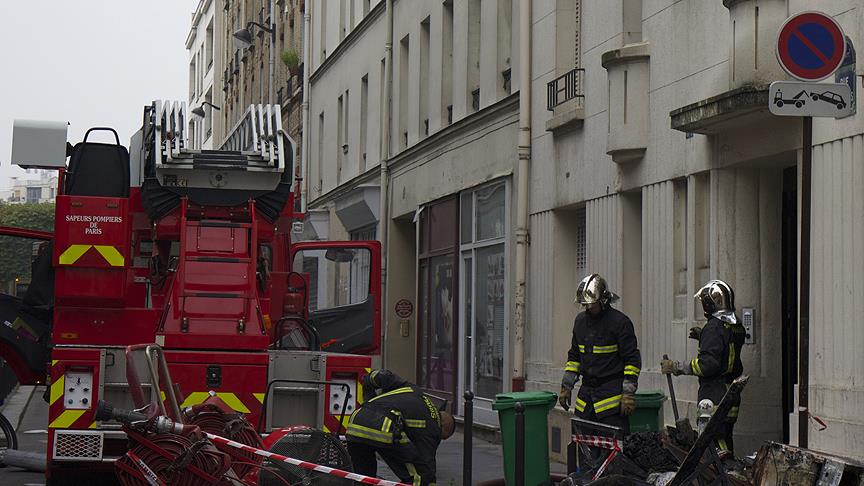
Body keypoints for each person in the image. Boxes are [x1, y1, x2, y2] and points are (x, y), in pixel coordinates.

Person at [661, 279, 745, 455]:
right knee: (724, 438)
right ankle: (728, 468)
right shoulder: (736, 326)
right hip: (730, 392)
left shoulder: (713, 328)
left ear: (710, 304)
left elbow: (708, 366)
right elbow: (725, 347)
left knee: (712, 441)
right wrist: (703, 338)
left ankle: (722, 470)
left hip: (713, 395)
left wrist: (676, 367)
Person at [559, 273, 642, 435]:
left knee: (612, 447)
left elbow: (632, 361)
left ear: (603, 300)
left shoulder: (620, 323)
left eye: (592, 304)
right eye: (585, 305)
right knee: (583, 446)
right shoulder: (580, 322)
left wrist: (628, 394)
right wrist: (566, 387)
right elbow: (574, 357)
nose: (588, 308)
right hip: (586, 401)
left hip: (611, 402)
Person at [346, 369, 455, 485]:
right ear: (443, 427)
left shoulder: (413, 390)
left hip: (355, 422)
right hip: (385, 427)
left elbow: (381, 376)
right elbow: (426, 462)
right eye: (442, 437)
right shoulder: (433, 426)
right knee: (420, 475)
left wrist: (368, 403)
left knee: (364, 477)